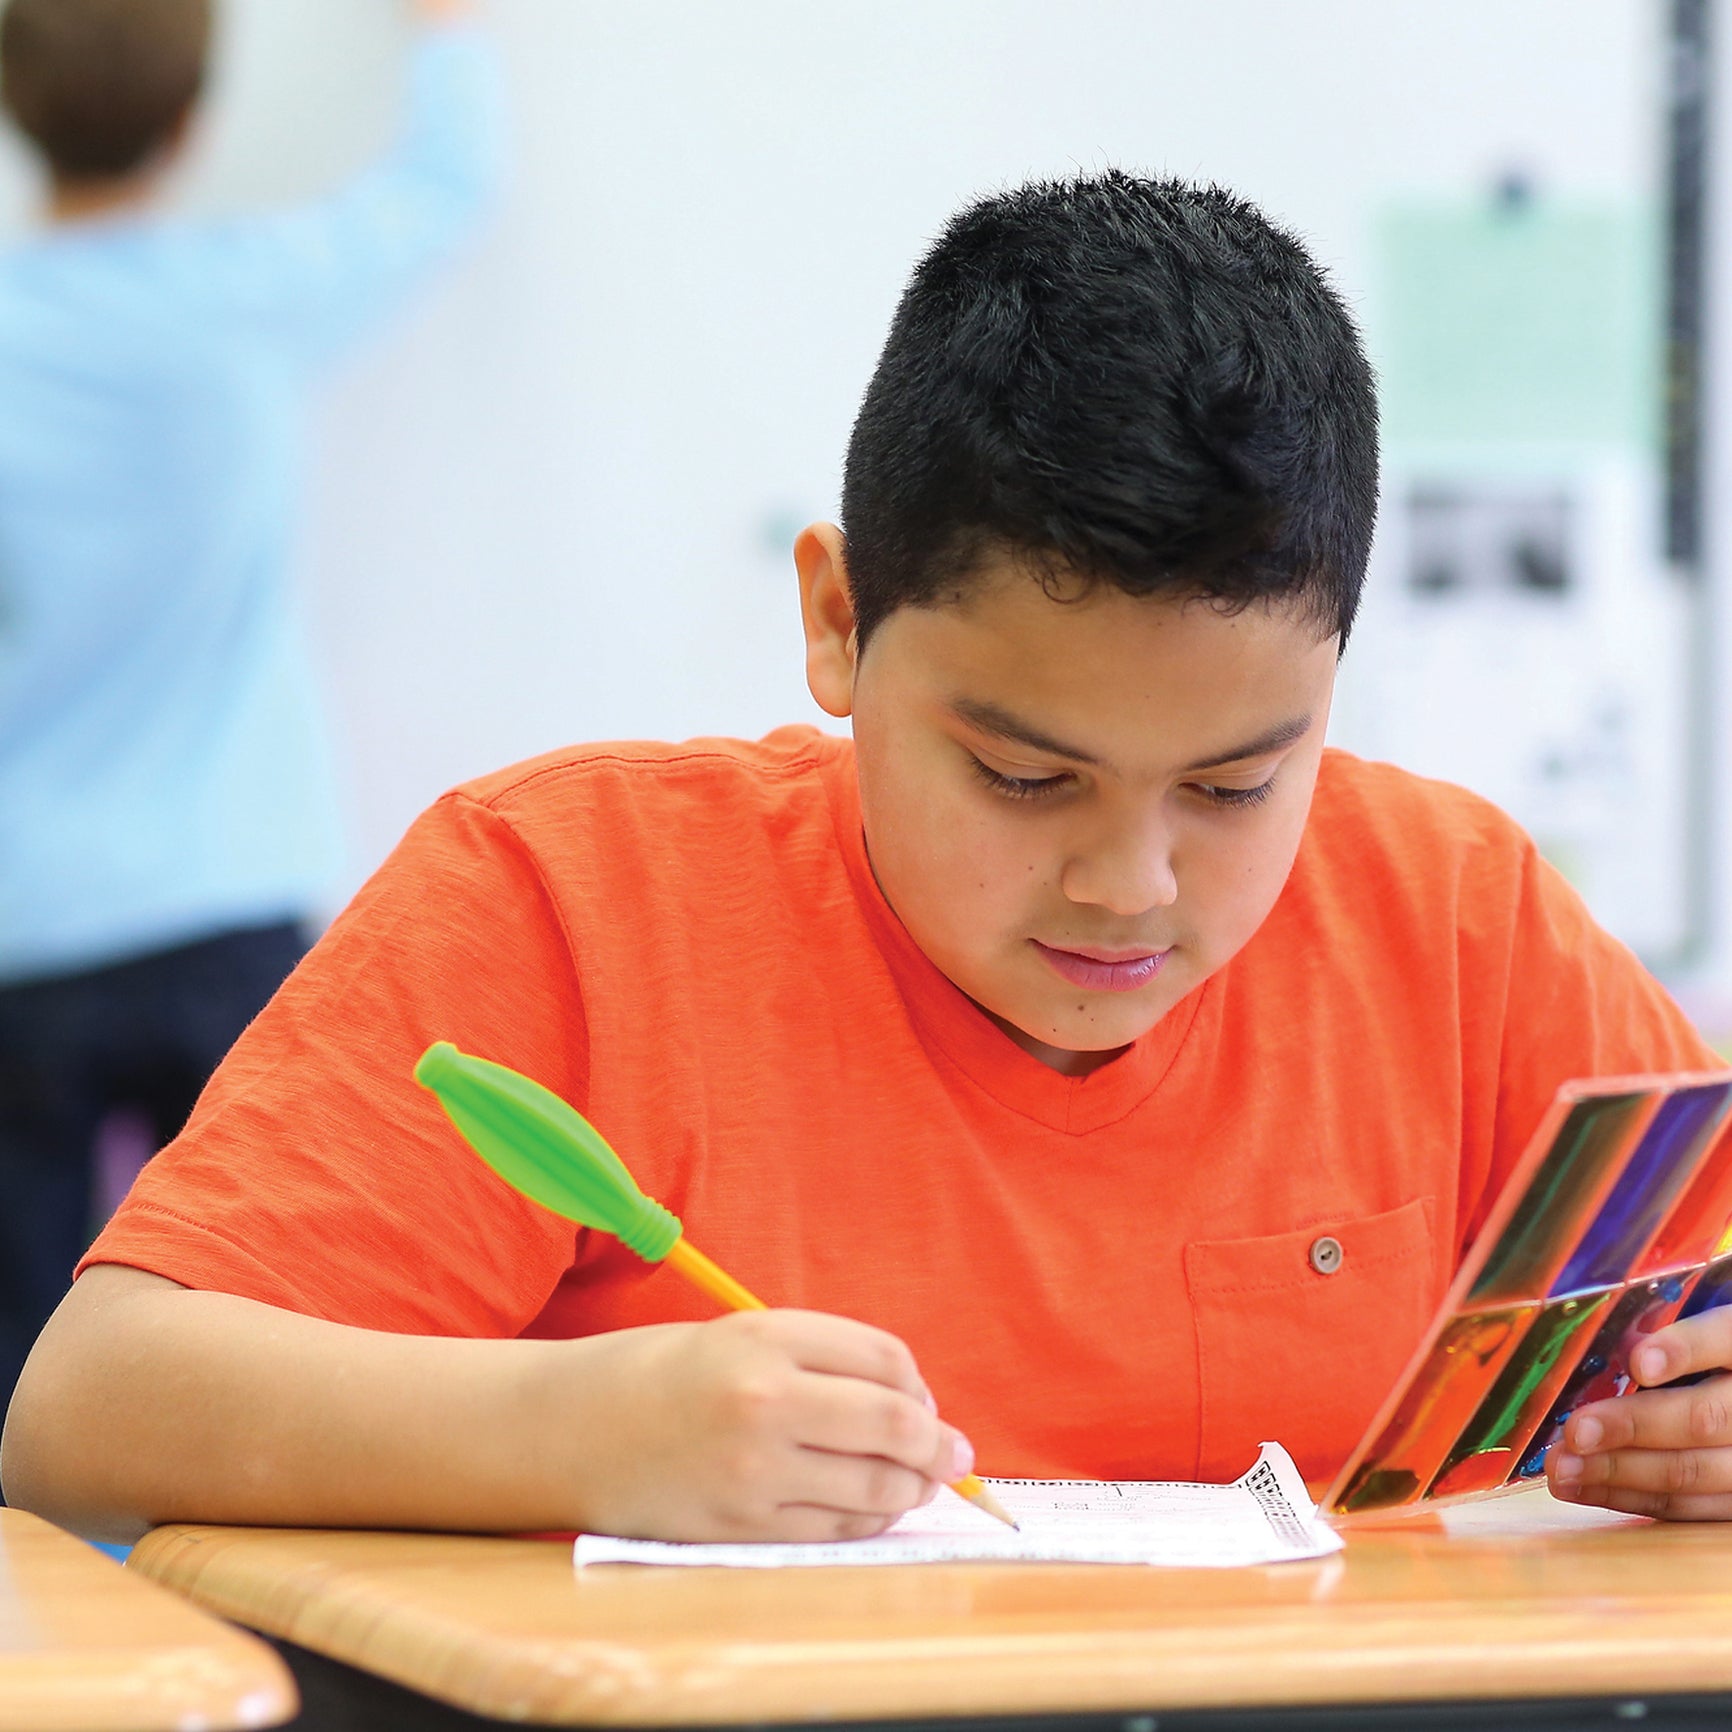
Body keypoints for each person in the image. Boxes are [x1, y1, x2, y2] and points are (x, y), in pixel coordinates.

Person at [4, 172, 1729, 1544]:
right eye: (1022, 775)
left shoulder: (1452, 916)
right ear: (837, 623)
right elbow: (86, 1409)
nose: (1130, 885)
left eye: (1232, 788)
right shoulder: (570, 898)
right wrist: (572, 1434)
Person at [0, 0, 500, 1415]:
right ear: (191, 121)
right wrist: (446, 30)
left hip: (22, 932)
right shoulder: (253, 291)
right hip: (223, 909)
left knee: (22, 1378)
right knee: (260, 1332)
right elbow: (444, 189)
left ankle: (47, 1638)